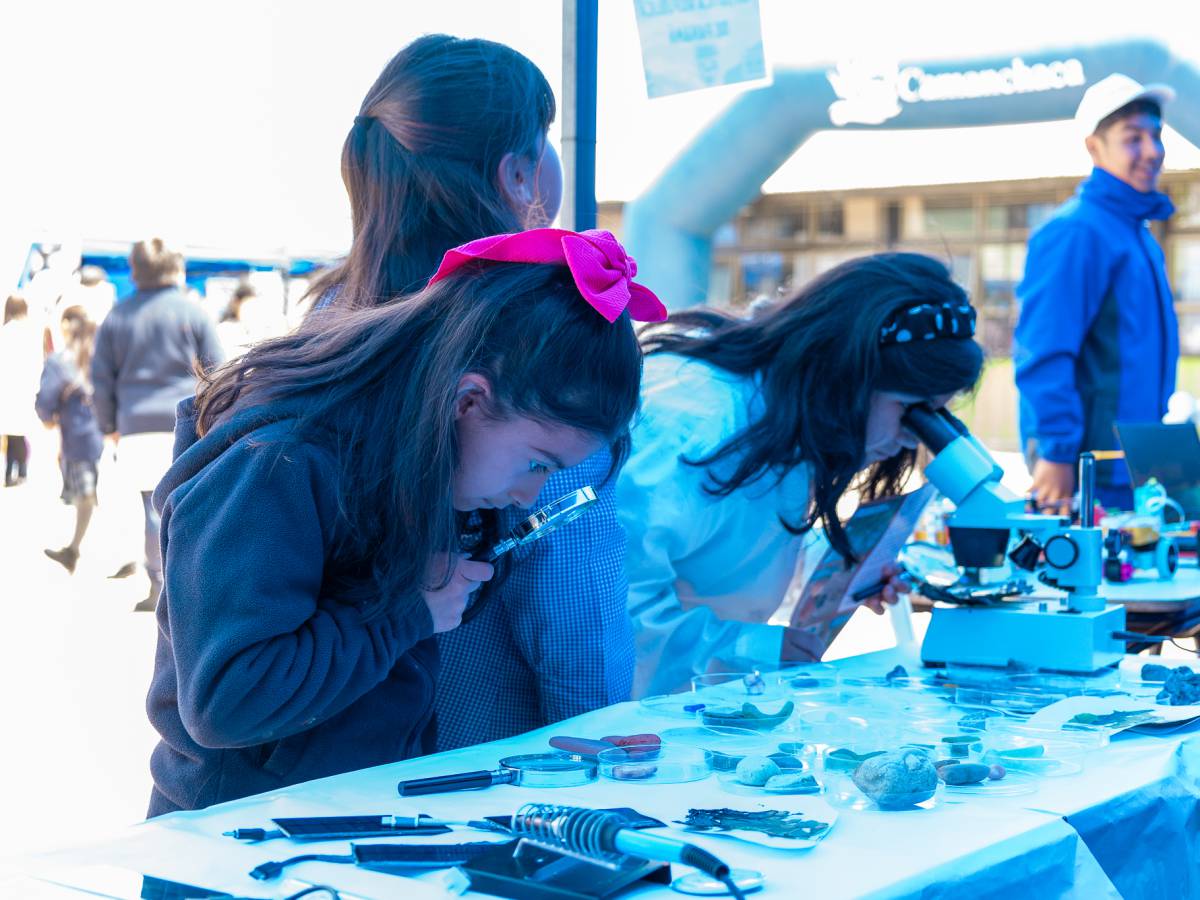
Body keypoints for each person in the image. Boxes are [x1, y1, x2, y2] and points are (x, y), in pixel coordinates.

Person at [144, 228, 659, 815]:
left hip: (355, 813)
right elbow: (226, 699)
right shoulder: (277, 464)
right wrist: (405, 613)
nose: (528, 494)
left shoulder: (424, 458)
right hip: (234, 840)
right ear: (467, 400)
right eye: (537, 463)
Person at [302, 34, 628, 750]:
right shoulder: (530, 329)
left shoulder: (331, 315)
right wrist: (596, 749)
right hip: (495, 752)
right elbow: (573, 600)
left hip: (342, 748)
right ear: (517, 173)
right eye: (540, 139)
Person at [621, 253, 984, 696]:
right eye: (911, 411)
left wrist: (839, 572)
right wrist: (754, 647)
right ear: (845, 375)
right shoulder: (695, 424)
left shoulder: (783, 413)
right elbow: (611, 610)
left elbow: (735, 545)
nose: (913, 440)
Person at [1014, 74, 1178, 513]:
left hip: (1137, 466)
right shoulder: (1075, 232)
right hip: (1088, 471)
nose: (1152, 151)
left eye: (1156, 136)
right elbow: (1044, 352)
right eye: (1133, 138)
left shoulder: (1138, 236)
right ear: (1094, 147)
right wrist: (1056, 452)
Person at [91, 238, 224, 611]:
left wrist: (108, 424)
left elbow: (101, 378)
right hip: (187, 422)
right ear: (175, 268)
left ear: (135, 270)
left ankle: (159, 585)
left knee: (152, 507)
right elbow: (217, 369)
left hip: (134, 423)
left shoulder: (118, 316)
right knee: (188, 506)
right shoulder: (193, 312)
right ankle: (189, 586)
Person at [37, 306, 104, 573]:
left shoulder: (60, 360)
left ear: (66, 325)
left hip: (76, 435)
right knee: (90, 491)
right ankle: (76, 548)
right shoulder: (98, 356)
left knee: (85, 494)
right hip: (100, 433)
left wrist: (47, 419)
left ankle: (75, 549)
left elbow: (45, 402)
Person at [0, 295, 43, 486]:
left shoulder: (5, 332)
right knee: (19, 430)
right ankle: (20, 470)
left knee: (11, 431)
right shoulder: (31, 332)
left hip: (8, 387)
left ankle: (11, 471)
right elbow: (37, 363)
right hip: (26, 386)